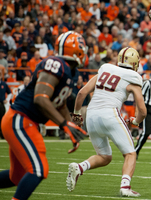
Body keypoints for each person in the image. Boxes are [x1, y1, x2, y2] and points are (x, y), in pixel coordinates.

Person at [0, 31, 87, 200]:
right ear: (75, 49)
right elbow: (40, 98)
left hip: (23, 121)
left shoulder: (70, 71)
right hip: (20, 119)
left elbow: (59, 102)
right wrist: (63, 124)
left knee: (16, 177)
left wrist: (71, 127)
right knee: (38, 170)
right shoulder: (56, 64)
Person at [66, 47, 147, 197]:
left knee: (105, 156)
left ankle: (80, 167)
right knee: (130, 154)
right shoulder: (133, 77)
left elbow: (82, 92)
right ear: (135, 63)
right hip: (110, 114)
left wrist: (76, 114)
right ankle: (125, 187)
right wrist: (136, 120)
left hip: (91, 115)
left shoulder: (105, 69)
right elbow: (142, 110)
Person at [0, 70, 12, 139]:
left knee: (2, 119)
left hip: (1, 104)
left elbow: (9, 93)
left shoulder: (4, 84)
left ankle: (2, 134)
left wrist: (7, 100)